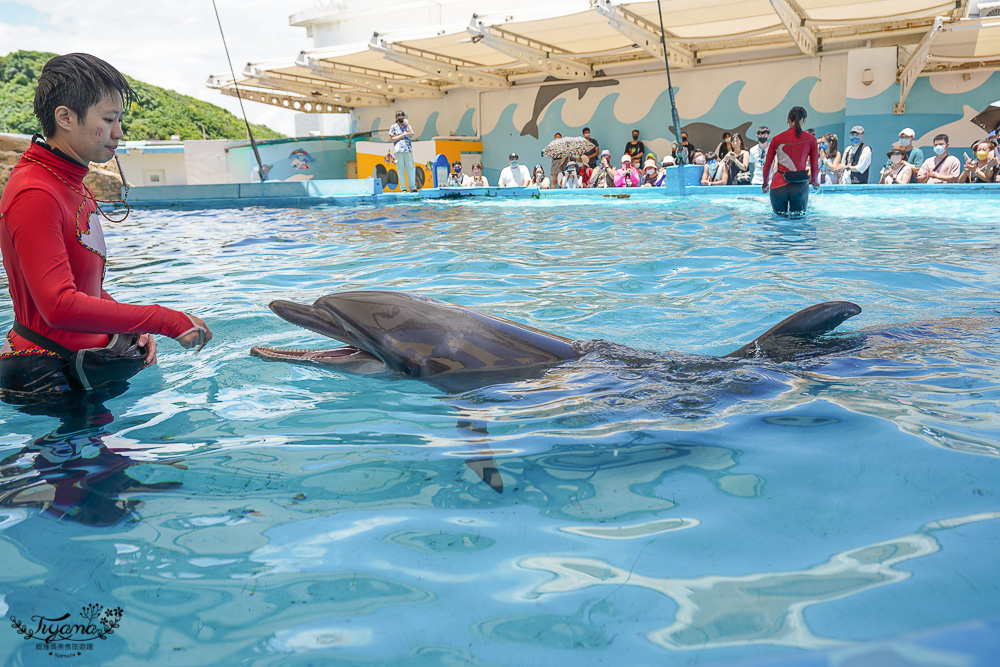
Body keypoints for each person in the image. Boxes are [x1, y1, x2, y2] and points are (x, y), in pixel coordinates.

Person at [0, 53, 211, 397]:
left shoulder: (69, 181)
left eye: (120, 119)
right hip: (48, 377)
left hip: (81, 366)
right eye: (109, 119)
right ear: (65, 117)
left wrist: (131, 332)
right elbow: (57, 306)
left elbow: (85, 288)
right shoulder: (36, 192)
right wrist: (163, 320)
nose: (118, 132)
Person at [762, 106, 820, 216]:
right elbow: (814, 166)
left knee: (779, 224)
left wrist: (765, 184)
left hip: (778, 185)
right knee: (798, 223)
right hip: (800, 187)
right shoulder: (811, 139)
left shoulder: (776, 139)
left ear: (788, 120)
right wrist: (815, 183)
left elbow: (767, 166)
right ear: (804, 120)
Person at [389, 109, 417, 192]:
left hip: (408, 149)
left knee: (411, 168)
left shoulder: (407, 126)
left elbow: (411, 134)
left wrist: (407, 125)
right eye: (399, 116)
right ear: (396, 117)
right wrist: (403, 135)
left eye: (402, 115)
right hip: (398, 150)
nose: (401, 117)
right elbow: (392, 138)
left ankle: (412, 187)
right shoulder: (393, 127)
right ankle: (403, 188)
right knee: (400, 169)